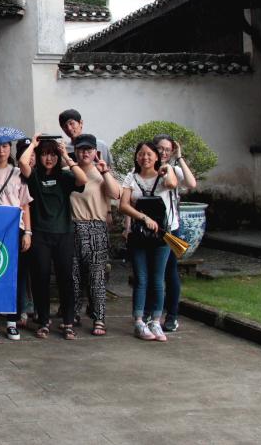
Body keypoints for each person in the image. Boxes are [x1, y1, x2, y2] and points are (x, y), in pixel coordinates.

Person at [18, 134, 87, 341]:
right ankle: (43, 321)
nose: (49, 159)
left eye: (53, 155)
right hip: (40, 234)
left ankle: (68, 322)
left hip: (64, 234)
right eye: (45, 154)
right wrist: (34, 143)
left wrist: (66, 155)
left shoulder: (64, 177)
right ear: (39, 156)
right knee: (40, 277)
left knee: (66, 278)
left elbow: (82, 179)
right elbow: (23, 163)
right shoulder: (34, 176)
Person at [119, 141, 178, 342]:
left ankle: (155, 321)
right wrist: (144, 218)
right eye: (141, 154)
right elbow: (123, 205)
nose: (145, 157)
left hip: (161, 235)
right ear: (136, 157)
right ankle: (139, 321)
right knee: (141, 278)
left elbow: (172, 185)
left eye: (149, 154)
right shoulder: (131, 177)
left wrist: (168, 168)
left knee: (157, 279)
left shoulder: (163, 176)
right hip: (139, 235)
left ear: (157, 156)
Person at [0, 134, 33, 342]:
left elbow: (24, 204)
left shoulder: (18, 173)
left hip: (14, 229)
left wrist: (28, 232)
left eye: (5, 147)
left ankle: (12, 321)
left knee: (15, 277)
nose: (1, 151)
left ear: (10, 149)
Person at [69, 134, 121, 337]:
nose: (85, 153)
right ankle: (73, 313)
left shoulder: (100, 173)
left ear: (95, 152)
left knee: (96, 276)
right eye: (81, 149)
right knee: (73, 277)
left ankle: (99, 317)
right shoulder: (69, 172)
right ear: (75, 151)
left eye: (88, 150)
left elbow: (116, 194)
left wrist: (105, 172)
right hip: (72, 227)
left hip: (95, 228)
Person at [152, 134, 197, 332]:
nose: (163, 152)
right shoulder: (145, 168)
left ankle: (172, 316)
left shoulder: (174, 170)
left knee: (170, 272)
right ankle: (150, 314)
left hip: (170, 228)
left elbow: (191, 183)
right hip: (148, 228)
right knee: (150, 273)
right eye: (160, 148)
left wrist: (179, 157)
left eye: (167, 150)